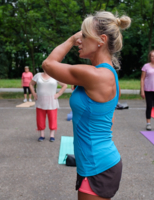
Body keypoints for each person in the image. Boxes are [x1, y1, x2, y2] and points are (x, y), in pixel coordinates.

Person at [42, 11, 130, 200]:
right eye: (79, 36)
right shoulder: (107, 74)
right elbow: (109, 119)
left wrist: (70, 39)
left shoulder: (95, 75)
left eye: (83, 35)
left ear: (101, 40)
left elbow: (48, 64)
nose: (79, 40)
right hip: (94, 162)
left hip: (98, 165)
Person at [29, 70, 67, 142]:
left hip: (52, 101)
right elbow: (31, 84)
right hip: (40, 101)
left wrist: (58, 94)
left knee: (52, 118)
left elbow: (64, 85)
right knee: (40, 118)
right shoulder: (38, 75)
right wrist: (34, 94)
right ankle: (42, 135)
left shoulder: (55, 75)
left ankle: (52, 135)